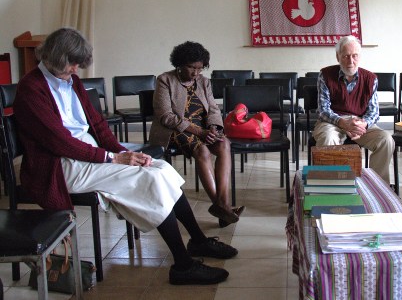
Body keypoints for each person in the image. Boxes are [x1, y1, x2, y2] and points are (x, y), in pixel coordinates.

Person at [13, 28, 237, 286]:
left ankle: (197, 241)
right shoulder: (31, 90)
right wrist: (113, 159)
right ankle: (183, 266)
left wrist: (123, 151)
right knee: (148, 179)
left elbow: (97, 126)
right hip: (58, 165)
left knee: (160, 168)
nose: (76, 70)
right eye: (72, 64)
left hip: (86, 154)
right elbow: (60, 143)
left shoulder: (70, 81)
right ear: (54, 57)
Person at [149, 41, 243, 228]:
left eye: (199, 69)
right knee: (203, 151)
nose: (195, 73)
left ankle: (222, 205)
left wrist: (214, 128)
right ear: (179, 64)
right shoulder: (165, 80)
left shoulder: (204, 82)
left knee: (224, 143)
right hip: (175, 129)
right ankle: (223, 207)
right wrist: (200, 132)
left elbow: (214, 109)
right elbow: (165, 116)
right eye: (191, 67)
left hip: (204, 128)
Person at [313, 35, 395, 185]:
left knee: (386, 140)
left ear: (360, 56)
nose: (351, 61)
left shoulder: (371, 78)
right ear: (338, 57)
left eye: (354, 56)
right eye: (345, 56)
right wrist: (344, 123)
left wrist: (362, 124)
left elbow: (374, 112)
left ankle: (379, 185)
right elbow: (323, 110)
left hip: (360, 122)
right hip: (333, 121)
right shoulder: (325, 75)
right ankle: (329, 185)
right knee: (328, 139)